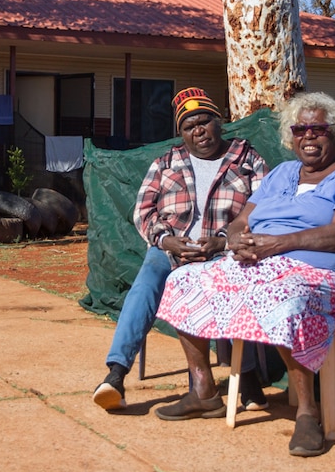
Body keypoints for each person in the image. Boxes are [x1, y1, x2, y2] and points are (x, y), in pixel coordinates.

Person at [153, 91, 335, 457]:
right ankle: (203, 391)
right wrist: (238, 243)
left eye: (318, 128)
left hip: (324, 274)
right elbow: (241, 222)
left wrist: (277, 244)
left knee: (282, 292)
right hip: (260, 264)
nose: (308, 135)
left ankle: (308, 412)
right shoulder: (282, 173)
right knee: (184, 280)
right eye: (300, 128)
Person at [93, 87, 269, 411]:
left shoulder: (248, 159)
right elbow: (143, 210)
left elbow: (263, 209)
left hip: (222, 251)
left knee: (228, 290)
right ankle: (115, 376)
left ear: (220, 122)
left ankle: (246, 378)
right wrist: (165, 240)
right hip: (171, 248)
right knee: (145, 287)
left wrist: (222, 240)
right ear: (181, 133)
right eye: (189, 127)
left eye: (205, 121)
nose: (198, 130)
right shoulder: (165, 162)